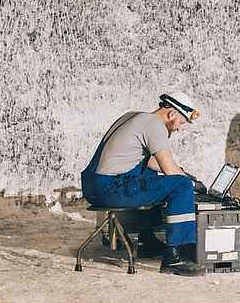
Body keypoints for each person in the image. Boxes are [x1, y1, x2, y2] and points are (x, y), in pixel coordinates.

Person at [81, 92, 205, 277]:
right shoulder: (155, 125)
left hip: (94, 184)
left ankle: (147, 242)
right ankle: (175, 257)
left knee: (153, 175)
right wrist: (194, 184)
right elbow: (169, 170)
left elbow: (145, 162)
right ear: (171, 114)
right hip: (110, 188)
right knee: (181, 186)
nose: (179, 128)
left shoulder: (134, 117)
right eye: (181, 122)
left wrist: (185, 173)